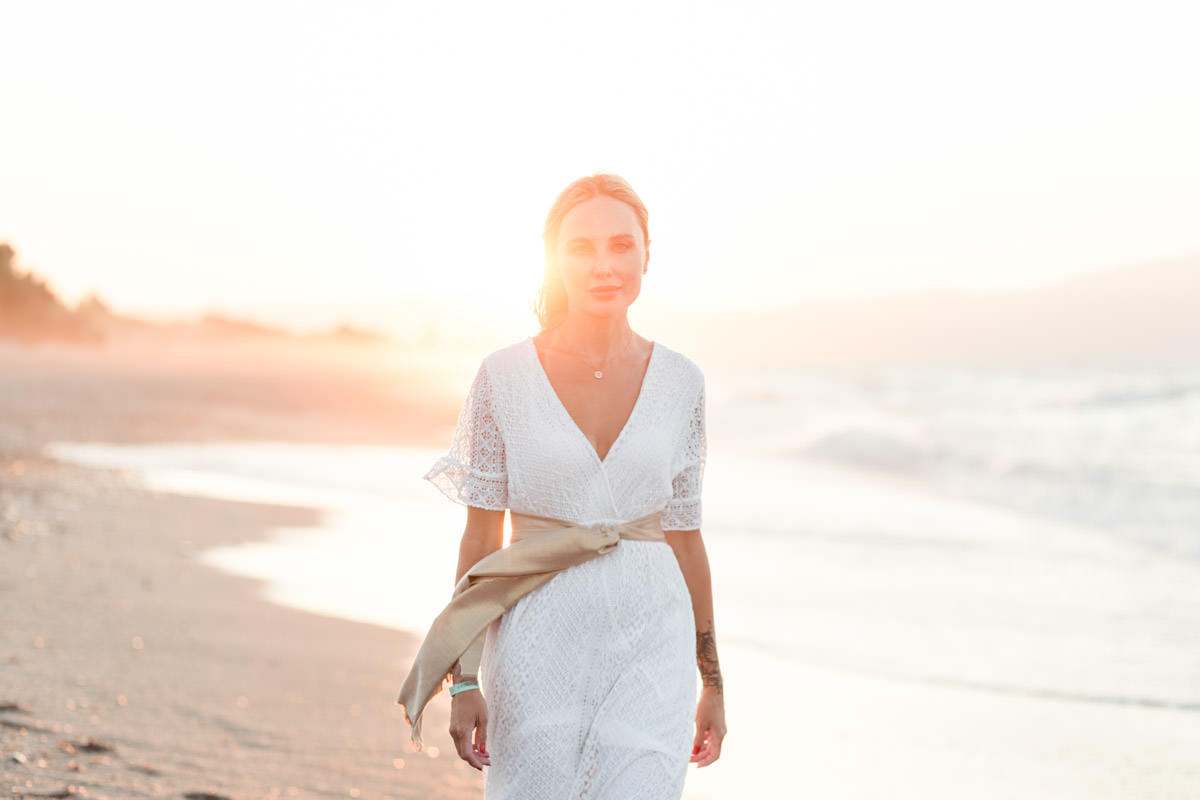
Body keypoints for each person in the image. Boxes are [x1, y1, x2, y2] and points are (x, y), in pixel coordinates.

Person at [402, 173, 726, 799]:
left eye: (621, 246)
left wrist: (712, 682)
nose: (604, 265)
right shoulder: (503, 378)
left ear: (646, 256)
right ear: (553, 258)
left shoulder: (683, 383)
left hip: (652, 647)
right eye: (581, 248)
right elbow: (481, 540)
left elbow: (687, 541)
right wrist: (464, 681)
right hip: (535, 646)